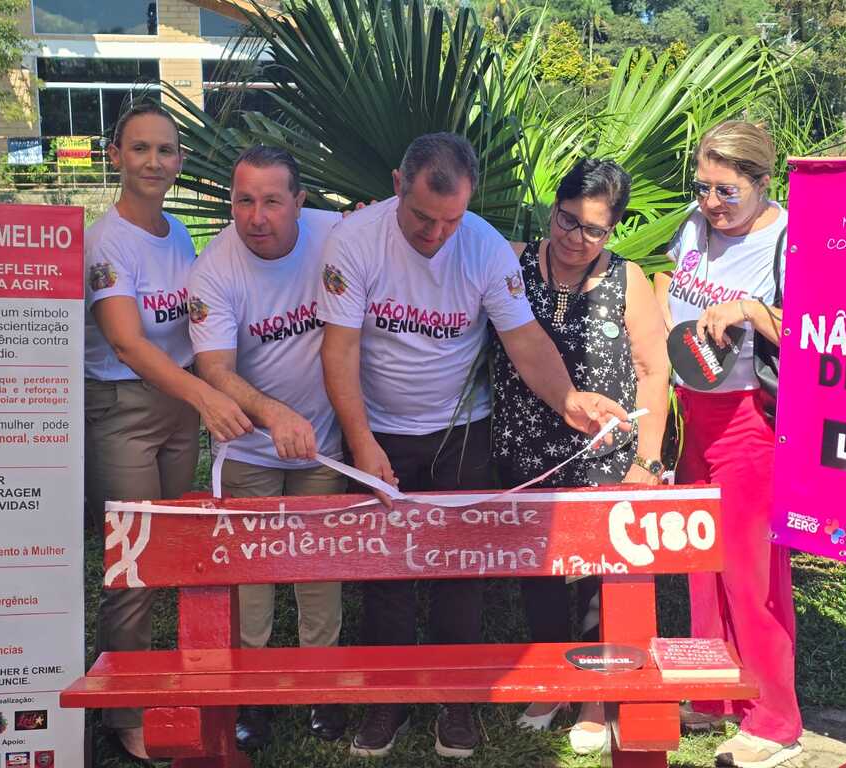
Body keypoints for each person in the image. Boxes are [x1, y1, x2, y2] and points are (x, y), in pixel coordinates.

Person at [317, 132, 631, 760]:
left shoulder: (484, 247)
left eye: (451, 220)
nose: (436, 234)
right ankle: (389, 700)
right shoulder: (353, 241)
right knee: (386, 571)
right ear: (397, 185)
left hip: (462, 429)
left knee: (460, 571)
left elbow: (525, 339)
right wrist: (361, 441)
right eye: (422, 217)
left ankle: (454, 700)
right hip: (378, 428)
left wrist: (569, 399)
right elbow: (339, 349)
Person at [84, 101, 251, 762]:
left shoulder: (178, 233)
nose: (154, 162)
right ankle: (124, 713)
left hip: (180, 408)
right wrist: (207, 396)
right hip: (125, 410)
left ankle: (180, 687)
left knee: (176, 555)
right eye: (140, 149)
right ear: (116, 156)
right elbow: (126, 343)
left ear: (179, 160)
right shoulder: (106, 242)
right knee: (133, 564)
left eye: (166, 150)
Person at [492, 158, 669, 755]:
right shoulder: (512, 263)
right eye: (567, 220)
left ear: (613, 229)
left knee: (599, 579)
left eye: (594, 229)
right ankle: (552, 681)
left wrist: (647, 461)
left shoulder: (627, 279)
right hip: (527, 448)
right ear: (553, 210)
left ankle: (596, 693)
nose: (575, 238)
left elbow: (653, 370)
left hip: (604, 453)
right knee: (538, 576)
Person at [187, 146, 348, 749]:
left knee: (318, 564)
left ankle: (321, 688)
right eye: (244, 201)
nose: (257, 217)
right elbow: (214, 368)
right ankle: (250, 692)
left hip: (321, 443)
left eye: (273, 201)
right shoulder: (213, 270)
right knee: (250, 574)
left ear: (300, 202)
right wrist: (274, 414)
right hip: (249, 446)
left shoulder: (336, 235)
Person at [653, 120, 802, 768]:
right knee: (701, 564)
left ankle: (775, 719)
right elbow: (670, 282)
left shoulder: (788, 239)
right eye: (703, 187)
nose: (711, 202)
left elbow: (814, 333)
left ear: (762, 182)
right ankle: (715, 695)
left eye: (726, 191)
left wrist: (749, 310)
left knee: (751, 574)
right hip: (691, 415)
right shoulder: (694, 223)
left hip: (751, 422)